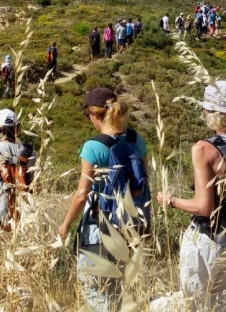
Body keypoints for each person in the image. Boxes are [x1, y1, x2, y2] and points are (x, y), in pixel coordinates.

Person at [153, 81, 226, 311]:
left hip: (208, 239)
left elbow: (203, 207)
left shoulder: (204, 149)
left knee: (193, 305)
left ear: (210, 113)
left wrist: (171, 201)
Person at [58, 87, 148, 311]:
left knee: (96, 291)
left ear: (93, 114)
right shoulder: (138, 140)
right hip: (130, 224)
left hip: (100, 226)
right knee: (119, 289)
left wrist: (65, 226)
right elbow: (143, 184)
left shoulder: (93, 147)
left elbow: (82, 194)